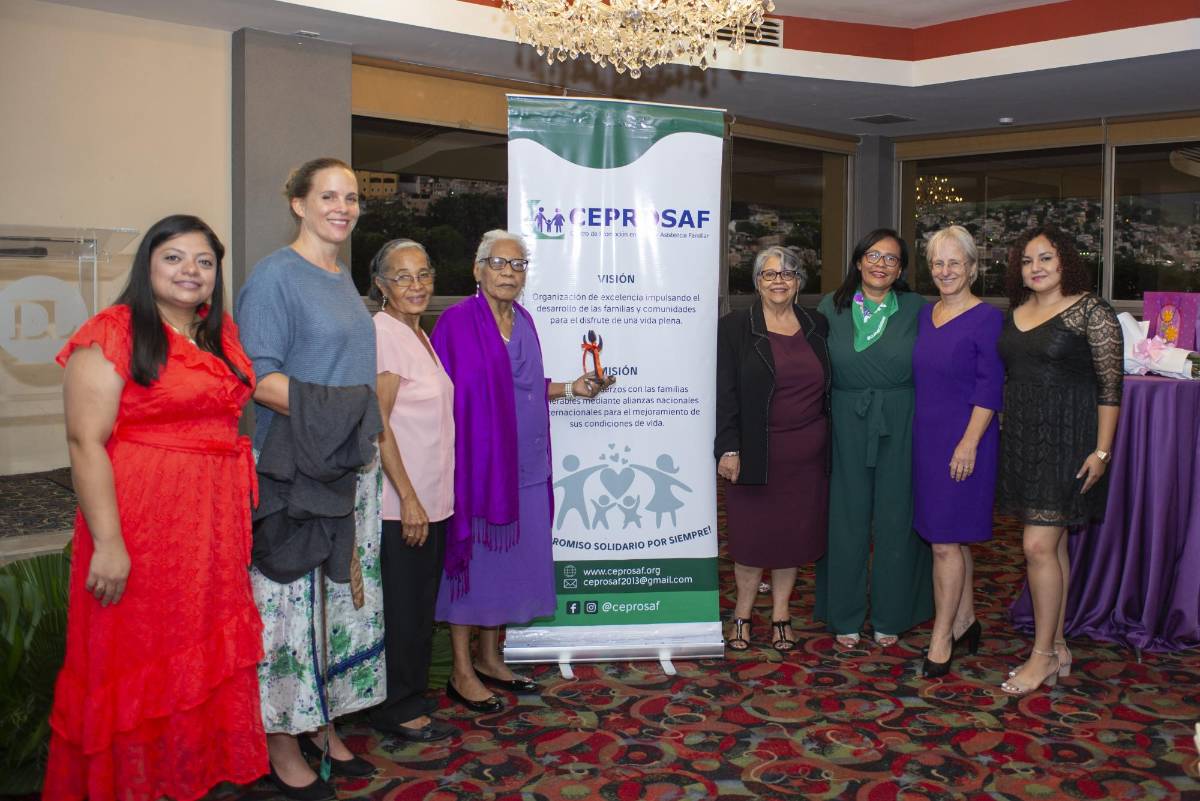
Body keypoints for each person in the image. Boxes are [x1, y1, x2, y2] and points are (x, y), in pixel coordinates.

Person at [44, 215, 266, 801]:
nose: (190, 271)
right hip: (141, 521)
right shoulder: (114, 331)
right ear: (147, 265)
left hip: (212, 525)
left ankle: (190, 776)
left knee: (199, 648)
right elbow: (84, 442)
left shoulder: (219, 334)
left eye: (204, 261)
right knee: (137, 652)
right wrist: (110, 544)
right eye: (173, 257)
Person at [236, 157, 384, 799]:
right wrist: (347, 409)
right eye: (328, 195)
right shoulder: (274, 277)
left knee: (339, 603)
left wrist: (354, 426)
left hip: (346, 466)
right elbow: (258, 378)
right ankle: (279, 741)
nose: (343, 207)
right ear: (296, 202)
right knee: (289, 610)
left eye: (351, 197)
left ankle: (321, 722)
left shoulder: (340, 274)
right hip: (293, 470)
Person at [431, 230, 613, 712]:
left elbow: (528, 386)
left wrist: (574, 388)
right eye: (499, 263)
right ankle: (461, 671)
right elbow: (441, 398)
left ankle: (491, 659)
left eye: (518, 265)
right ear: (477, 269)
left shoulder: (525, 319)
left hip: (528, 464)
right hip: (477, 468)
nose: (509, 273)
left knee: (508, 566)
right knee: (473, 567)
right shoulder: (455, 323)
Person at [996, 226, 1122, 697]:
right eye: (1027, 260)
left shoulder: (1093, 310)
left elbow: (1112, 388)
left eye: (1045, 258)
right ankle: (1061, 644)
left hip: (1071, 442)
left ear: (1065, 260)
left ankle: (1043, 656)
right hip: (1025, 440)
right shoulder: (1017, 311)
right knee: (1053, 547)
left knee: (1036, 547)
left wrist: (1102, 452)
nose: (1036, 268)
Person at [816, 229, 932, 649]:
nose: (880, 264)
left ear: (900, 269)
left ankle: (891, 613)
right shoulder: (832, 305)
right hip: (846, 417)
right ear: (858, 260)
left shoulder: (918, 308)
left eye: (891, 259)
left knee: (896, 518)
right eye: (873, 255)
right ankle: (844, 613)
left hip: (902, 417)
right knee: (845, 517)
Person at [715, 246, 831, 653]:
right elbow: (724, 393)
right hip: (755, 449)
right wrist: (727, 448)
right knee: (750, 539)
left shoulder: (816, 324)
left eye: (787, 273)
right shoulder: (733, 328)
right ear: (756, 283)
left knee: (793, 538)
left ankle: (782, 614)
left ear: (799, 282)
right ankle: (742, 614)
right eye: (769, 274)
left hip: (807, 454)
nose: (778, 280)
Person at [367, 238, 457, 743]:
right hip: (401, 503)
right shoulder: (384, 333)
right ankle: (395, 706)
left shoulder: (420, 333)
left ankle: (409, 693)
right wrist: (408, 497)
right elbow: (378, 422)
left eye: (423, 274)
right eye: (402, 276)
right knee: (403, 607)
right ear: (380, 285)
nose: (416, 285)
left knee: (419, 604)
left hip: (431, 499)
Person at [911, 225, 1004, 677]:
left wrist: (968, 443)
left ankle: (941, 636)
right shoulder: (926, 315)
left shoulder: (987, 318)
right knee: (949, 537)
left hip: (966, 442)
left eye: (954, 262)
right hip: (927, 442)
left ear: (971, 267)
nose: (945, 271)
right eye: (937, 263)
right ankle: (966, 622)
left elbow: (990, 388)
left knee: (946, 543)